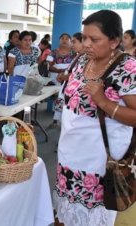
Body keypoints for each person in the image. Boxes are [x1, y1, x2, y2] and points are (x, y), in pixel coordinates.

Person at [53, 10, 136, 226]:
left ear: (114, 41)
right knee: (66, 212)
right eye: (85, 37)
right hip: (69, 153)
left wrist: (103, 101)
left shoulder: (127, 68)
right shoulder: (82, 60)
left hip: (98, 162)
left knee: (91, 217)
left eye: (94, 39)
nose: (86, 43)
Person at [47, 33, 75, 124]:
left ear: (71, 41)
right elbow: (48, 67)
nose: (64, 40)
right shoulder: (53, 52)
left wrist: (66, 74)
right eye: (62, 38)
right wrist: (60, 72)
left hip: (68, 79)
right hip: (55, 77)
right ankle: (57, 118)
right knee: (58, 97)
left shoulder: (74, 53)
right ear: (59, 41)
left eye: (67, 38)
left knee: (64, 97)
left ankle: (62, 117)